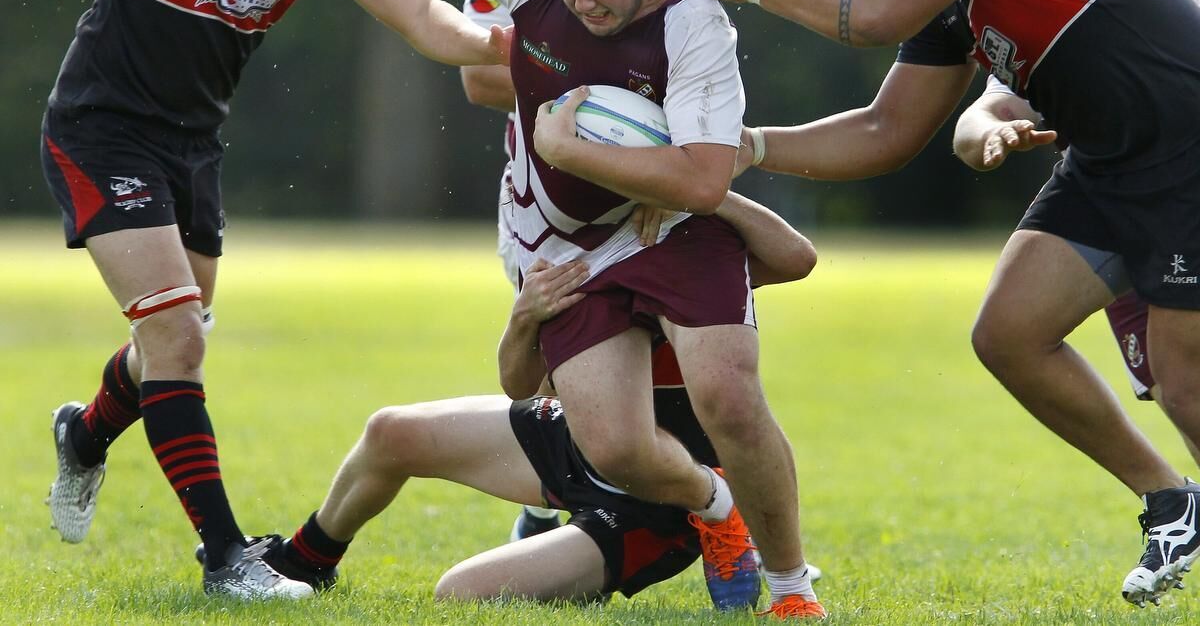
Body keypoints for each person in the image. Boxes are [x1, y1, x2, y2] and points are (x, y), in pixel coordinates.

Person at [156, 0, 828, 619]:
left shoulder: (696, 23)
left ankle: (791, 589)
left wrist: (575, 153)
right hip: (573, 244)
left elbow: (705, 184)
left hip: (667, 223)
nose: (583, 5)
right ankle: (714, 505)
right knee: (611, 445)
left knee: (728, 397)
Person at [13, 0, 505, 599]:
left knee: (171, 339)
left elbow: (434, 27)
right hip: (101, 127)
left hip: (193, 146)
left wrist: (525, 43)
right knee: (175, 335)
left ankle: (85, 434)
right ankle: (226, 560)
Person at [693, 0, 1200, 607]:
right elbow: (884, 131)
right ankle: (1172, 500)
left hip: (1188, 149)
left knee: (1184, 385)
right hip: (1111, 166)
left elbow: (875, 13)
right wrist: (743, 148)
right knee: (1009, 333)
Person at [193, 193, 815, 609]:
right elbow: (518, 383)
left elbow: (797, 256)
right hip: (574, 440)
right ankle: (307, 559)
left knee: (461, 594)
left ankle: (716, 514)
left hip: (656, 493)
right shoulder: (573, 243)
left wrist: (704, 191)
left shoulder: (689, 236)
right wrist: (525, 318)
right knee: (391, 432)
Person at [457, 0, 679, 544]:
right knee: (569, 369)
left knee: (681, 355)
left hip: (651, 193)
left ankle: (681, 513)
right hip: (554, 197)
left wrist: (662, 156)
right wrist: (592, 122)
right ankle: (548, 515)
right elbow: (480, 78)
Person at [953, 0, 1200, 468]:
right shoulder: (1050, 13)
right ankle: (1176, 503)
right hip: (1117, 208)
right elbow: (981, 113)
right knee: (1178, 389)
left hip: (1180, 202)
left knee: (1185, 378)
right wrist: (994, 130)